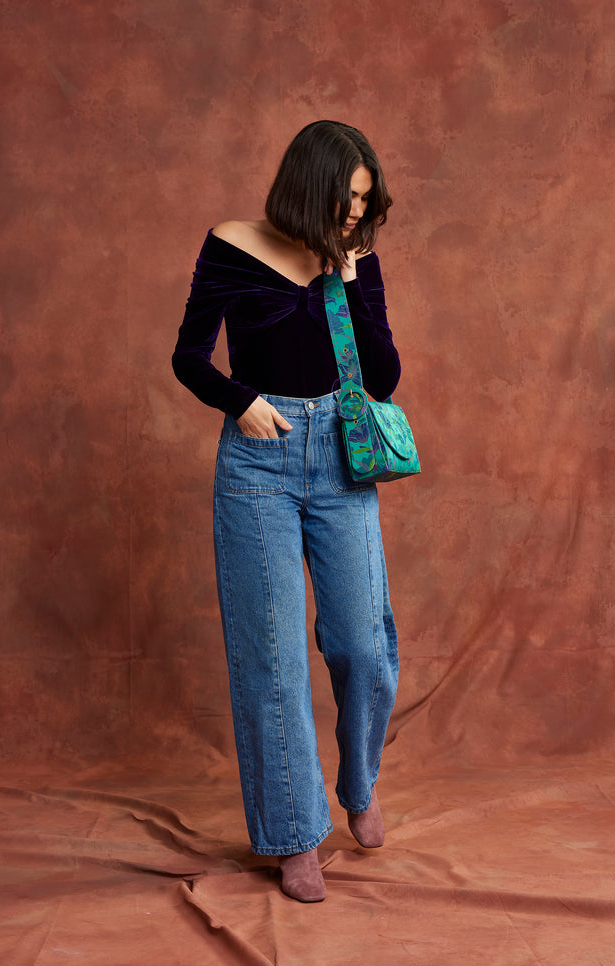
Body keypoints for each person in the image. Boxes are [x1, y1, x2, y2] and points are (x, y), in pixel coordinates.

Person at [172, 120, 400, 902]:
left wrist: (352, 278)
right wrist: (239, 402)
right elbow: (188, 356)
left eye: (364, 200)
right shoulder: (231, 244)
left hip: (341, 457)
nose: (355, 212)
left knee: (361, 644)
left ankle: (359, 784)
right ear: (310, 185)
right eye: (347, 197)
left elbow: (383, 376)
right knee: (269, 656)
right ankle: (294, 834)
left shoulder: (351, 258)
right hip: (257, 464)